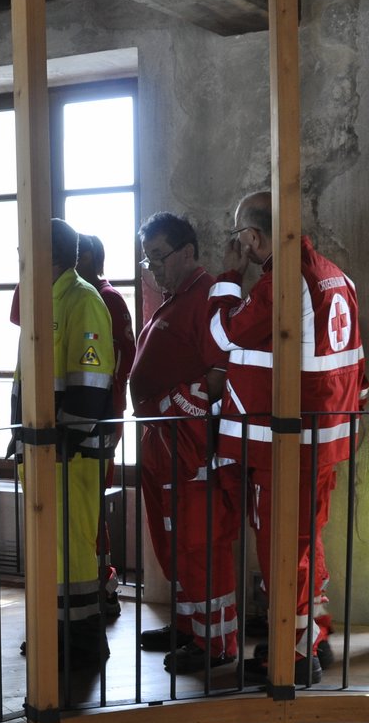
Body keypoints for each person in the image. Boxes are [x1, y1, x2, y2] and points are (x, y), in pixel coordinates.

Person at [207, 191, 368, 685]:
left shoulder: (282, 283)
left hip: (283, 443)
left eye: (242, 238)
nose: (241, 246)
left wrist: (229, 278)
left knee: (282, 551)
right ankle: (313, 635)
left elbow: (220, 334)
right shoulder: (337, 276)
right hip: (325, 437)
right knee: (304, 543)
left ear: (254, 236)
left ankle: (293, 657)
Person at [128, 213, 241, 675]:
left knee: (200, 544)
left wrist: (177, 405)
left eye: (159, 256)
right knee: (173, 542)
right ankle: (189, 625)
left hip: (192, 445)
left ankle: (216, 643)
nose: (153, 268)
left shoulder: (210, 297)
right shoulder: (176, 298)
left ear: (188, 252)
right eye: (148, 259)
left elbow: (225, 368)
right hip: (164, 441)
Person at [13, 218, 116, 683]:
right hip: (43, 452)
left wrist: (63, 442)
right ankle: (54, 631)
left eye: (24, 250)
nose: (19, 259)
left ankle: (82, 643)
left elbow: (91, 385)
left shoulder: (82, 300)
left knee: (73, 552)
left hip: (70, 455)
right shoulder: (45, 298)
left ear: (47, 255)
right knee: (51, 551)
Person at [75, 233, 137, 621]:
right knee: (82, 510)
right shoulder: (85, 296)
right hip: (92, 418)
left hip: (98, 419)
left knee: (91, 510)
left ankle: (104, 586)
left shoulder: (106, 299)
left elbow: (118, 365)